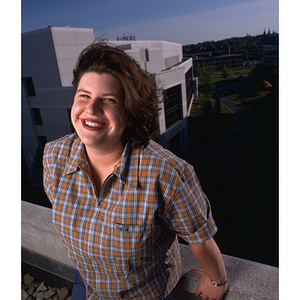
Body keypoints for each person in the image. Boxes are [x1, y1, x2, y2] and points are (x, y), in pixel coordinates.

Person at [43, 40, 228, 300]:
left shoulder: (167, 174)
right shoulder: (54, 157)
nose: (91, 109)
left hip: (147, 293)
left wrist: (217, 281)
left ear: (129, 113)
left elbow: (200, 239)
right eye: (84, 95)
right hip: (88, 282)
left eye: (108, 100)